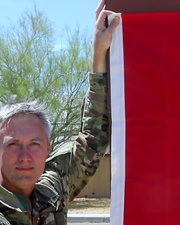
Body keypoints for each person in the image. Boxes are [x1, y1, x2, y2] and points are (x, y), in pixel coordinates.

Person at [0, 0, 120, 224]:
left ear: (48, 148)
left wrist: (99, 53)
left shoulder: (51, 191)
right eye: (13, 144)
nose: (24, 156)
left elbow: (93, 141)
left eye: (34, 144)